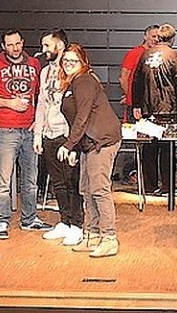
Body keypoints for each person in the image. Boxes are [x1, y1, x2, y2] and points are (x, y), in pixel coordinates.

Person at [58, 44, 122, 258]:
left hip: (101, 140)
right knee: (86, 188)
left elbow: (83, 116)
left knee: (99, 189)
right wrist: (76, 146)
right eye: (65, 60)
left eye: (73, 61)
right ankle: (93, 234)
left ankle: (109, 238)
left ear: (83, 62)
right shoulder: (73, 82)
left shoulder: (84, 80)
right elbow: (76, 119)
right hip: (88, 143)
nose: (68, 64)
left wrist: (68, 145)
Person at [0, 29, 51, 239]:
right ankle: (2, 222)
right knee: (3, 181)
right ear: (3, 46)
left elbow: (41, 96)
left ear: (22, 42)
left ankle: (29, 219)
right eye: (10, 44)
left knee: (31, 180)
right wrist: (9, 103)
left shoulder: (34, 64)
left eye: (17, 43)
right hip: (6, 129)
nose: (14, 48)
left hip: (30, 130)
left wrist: (37, 121)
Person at [33, 29, 84, 246]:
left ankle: (77, 225)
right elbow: (41, 103)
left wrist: (74, 142)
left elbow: (80, 108)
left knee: (72, 181)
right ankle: (64, 221)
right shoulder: (45, 72)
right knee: (57, 182)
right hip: (49, 133)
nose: (43, 50)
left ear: (60, 45)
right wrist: (38, 134)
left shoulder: (73, 72)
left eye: (47, 45)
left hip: (67, 134)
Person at [132, 23, 177, 196]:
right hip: (168, 109)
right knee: (168, 149)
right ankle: (167, 186)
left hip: (148, 109)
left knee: (149, 149)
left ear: (158, 37)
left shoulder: (145, 54)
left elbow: (136, 80)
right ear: (172, 39)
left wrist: (137, 105)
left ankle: (149, 186)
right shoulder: (174, 55)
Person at [117, 25, 158, 185]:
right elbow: (124, 77)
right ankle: (131, 175)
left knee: (150, 144)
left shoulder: (157, 55)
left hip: (152, 108)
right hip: (136, 108)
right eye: (153, 36)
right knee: (135, 142)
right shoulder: (135, 53)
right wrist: (131, 98)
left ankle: (148, 180)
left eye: (158, 36)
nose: (156, 39)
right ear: (145, 36)